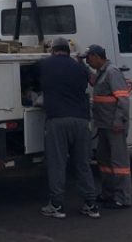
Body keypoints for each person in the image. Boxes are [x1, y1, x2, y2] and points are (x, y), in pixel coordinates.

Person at [38, 38, 100, 219]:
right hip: (81, 121)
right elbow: (93, 81)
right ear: (67, 50)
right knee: (83, 164)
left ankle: (56, 205)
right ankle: (91, 204)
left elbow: (32, 79)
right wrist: (82, 64)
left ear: (53, 50)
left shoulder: (45, 65)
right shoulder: (80, 67)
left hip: (57, 120)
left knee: (57, 163)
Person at [83, 43, 132, 209]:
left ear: (97, 56)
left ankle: (122, 198)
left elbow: (123, 99)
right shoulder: (101, 73)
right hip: (103, 124)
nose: (88, 62)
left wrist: (119, 121)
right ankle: (108, 194)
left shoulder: (112, 72)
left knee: (119, 162)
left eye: (88, 58)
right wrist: (79, 64)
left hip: (114, 125)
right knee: (104, 160)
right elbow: (92, 81)